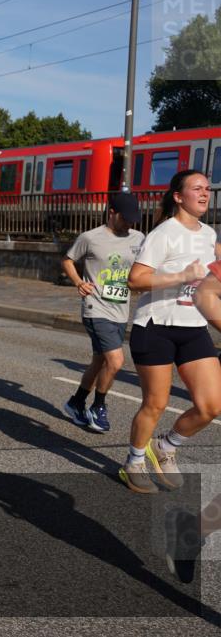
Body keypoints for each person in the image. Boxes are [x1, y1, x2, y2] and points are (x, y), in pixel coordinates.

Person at [118, 169, 221, 494]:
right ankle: (134, 462)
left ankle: (166, 446)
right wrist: (180, 276)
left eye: (207, 188)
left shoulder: (209, 234)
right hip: (156, 327)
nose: (204, 193)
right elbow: (135, 280)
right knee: (156, 403)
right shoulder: (164, 233)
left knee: (211, 405)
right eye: (196, 188)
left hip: (193, 327)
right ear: (178, 196)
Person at [61, 193, 145, 432]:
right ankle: (98, 407)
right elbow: (67, 260)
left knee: (99, 362)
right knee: (116, 361)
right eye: (125, 218)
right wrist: (79, 282)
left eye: (132, 219)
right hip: (95, 307)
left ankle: (76, 402)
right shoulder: (90, 237)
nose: (129, 223)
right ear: (112, 212)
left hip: (121, 310)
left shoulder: (139, 238)